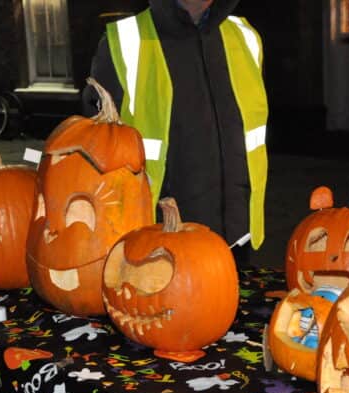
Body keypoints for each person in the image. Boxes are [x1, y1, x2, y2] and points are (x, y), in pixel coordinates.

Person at [82, 0, 268, 265]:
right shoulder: (125, 42)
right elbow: (95, 152)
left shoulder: (245, 36)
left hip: (237, 239)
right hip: (158, 245)